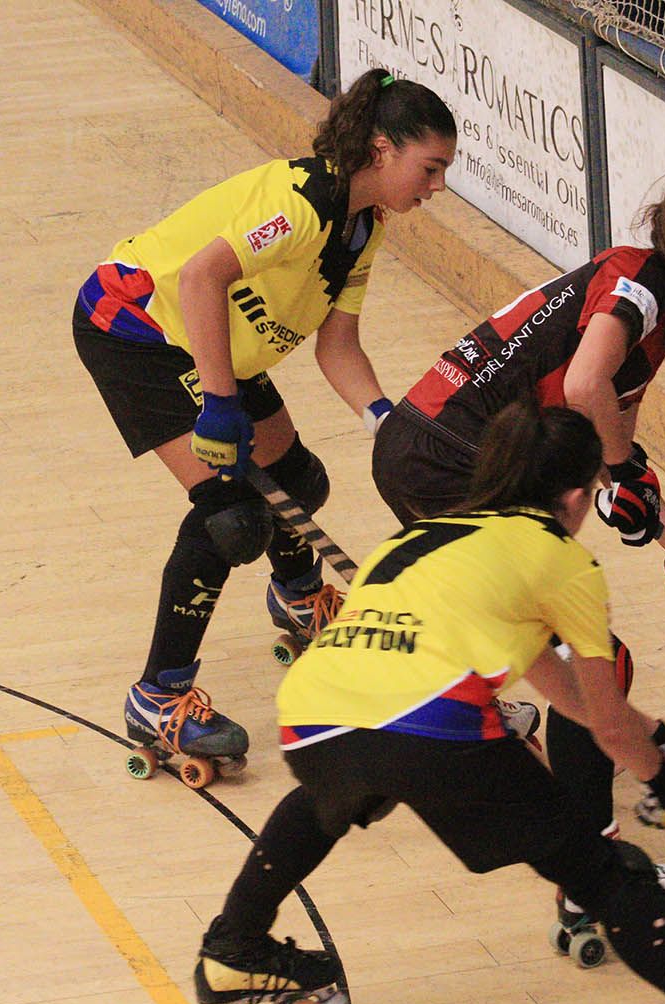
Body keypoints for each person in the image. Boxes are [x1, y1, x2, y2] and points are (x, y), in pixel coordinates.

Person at [193, 402, 665, 1004]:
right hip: (428, 724)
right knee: (611, 881)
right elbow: (608, 723)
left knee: (340, 792)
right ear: (579, 497)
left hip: (313, 714)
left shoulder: (419, 536)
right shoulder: (563, 560)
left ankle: (233, 945)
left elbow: (562, 688)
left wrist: (662, 736)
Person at [369, 165, 665, 923]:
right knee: (596, 664)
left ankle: (554, 826)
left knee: (563, 655)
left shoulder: (651, 300)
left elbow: (607, 444)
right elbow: (584, 389)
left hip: (432, 449)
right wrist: (624, 479)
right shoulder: (640, 283)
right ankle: (592, 878)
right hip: (451, 457)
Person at [73, 69, 457, 773]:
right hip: (135, 325)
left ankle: (301, 598)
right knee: (231, 517)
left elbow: (338, 345)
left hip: (209, 337)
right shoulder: (302, 202)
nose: (435, 188)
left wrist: (383, 418)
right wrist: (219, 404)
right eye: (429, 169)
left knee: (297, 480)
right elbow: (199, 278)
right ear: (381, 150)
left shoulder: (363, 228)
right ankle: (158, 697)